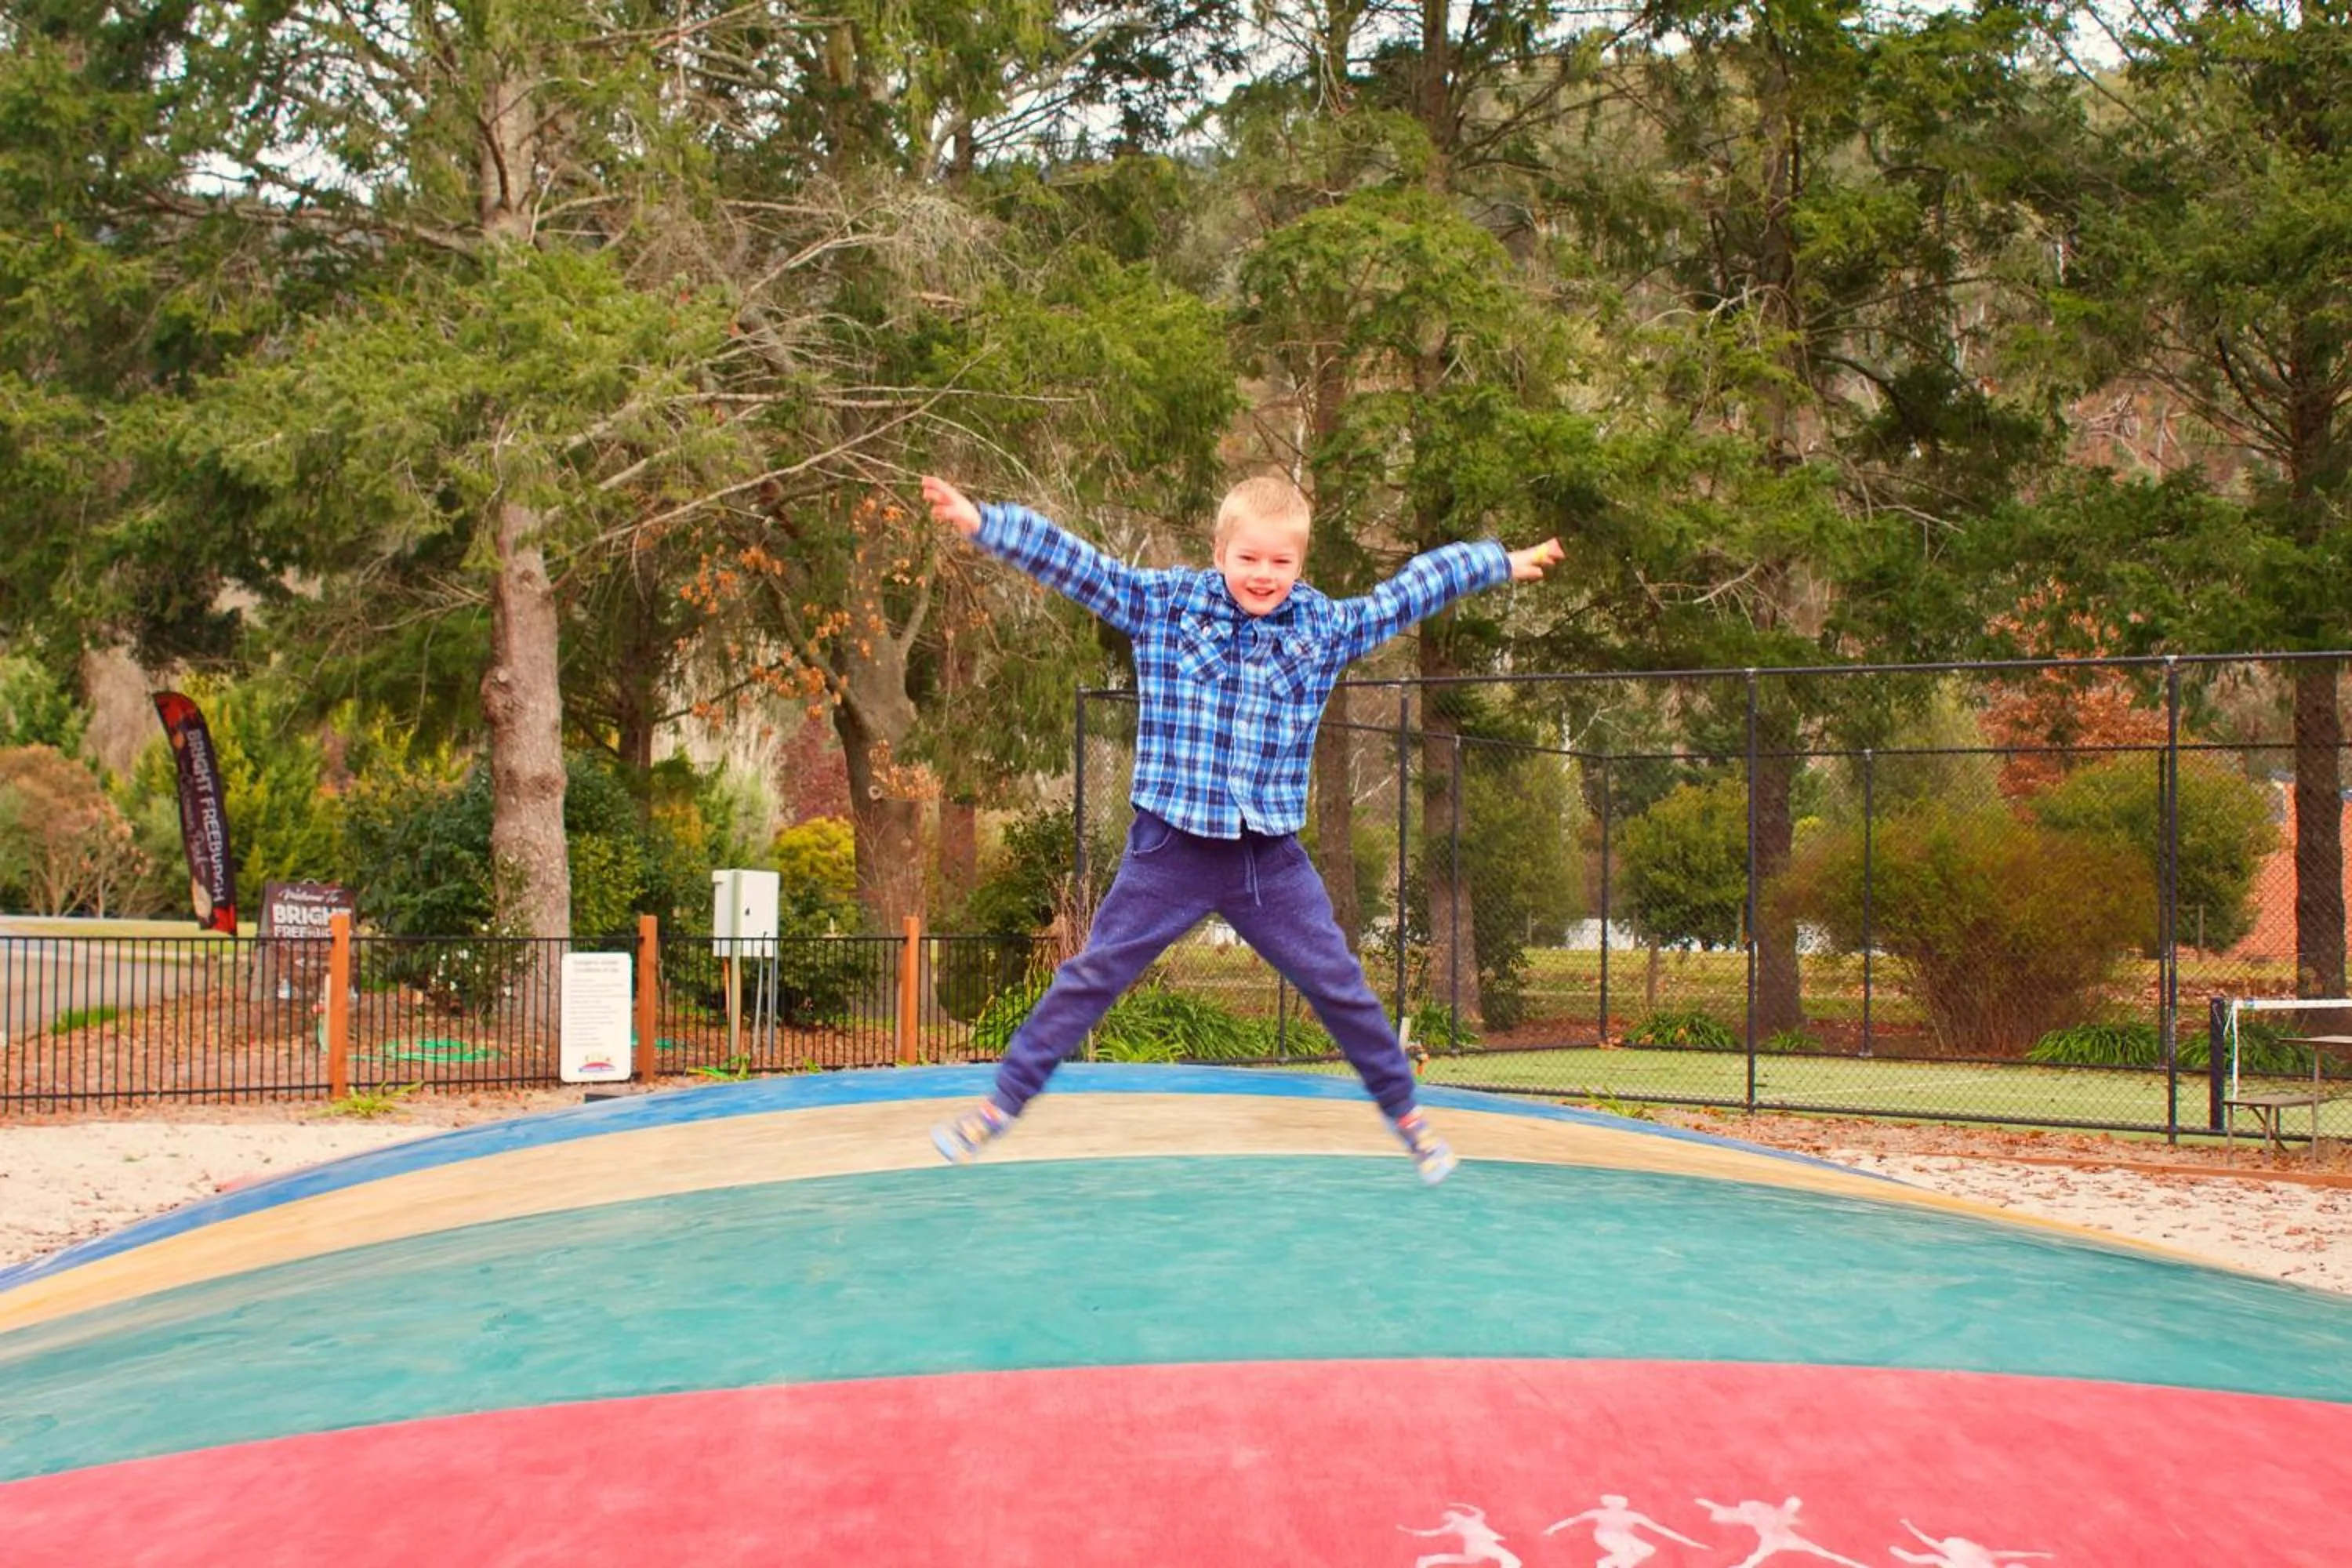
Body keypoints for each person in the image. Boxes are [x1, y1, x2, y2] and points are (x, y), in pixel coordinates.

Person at [920, 470, 1563, 1182]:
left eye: (1281, 562)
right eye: (1249, 558)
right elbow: (1078, 564)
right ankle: (1000, 1105)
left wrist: (1497, 562)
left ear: (1301, 562)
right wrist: (987, 523)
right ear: (1220, 551)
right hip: (1171, 850)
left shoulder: (1325, 626)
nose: (1263, 576)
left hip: (1270, 861)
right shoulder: (1163, 606)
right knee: (1094, 974)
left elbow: (1411, 589)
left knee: (1338, 983)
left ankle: (1406, 1114)